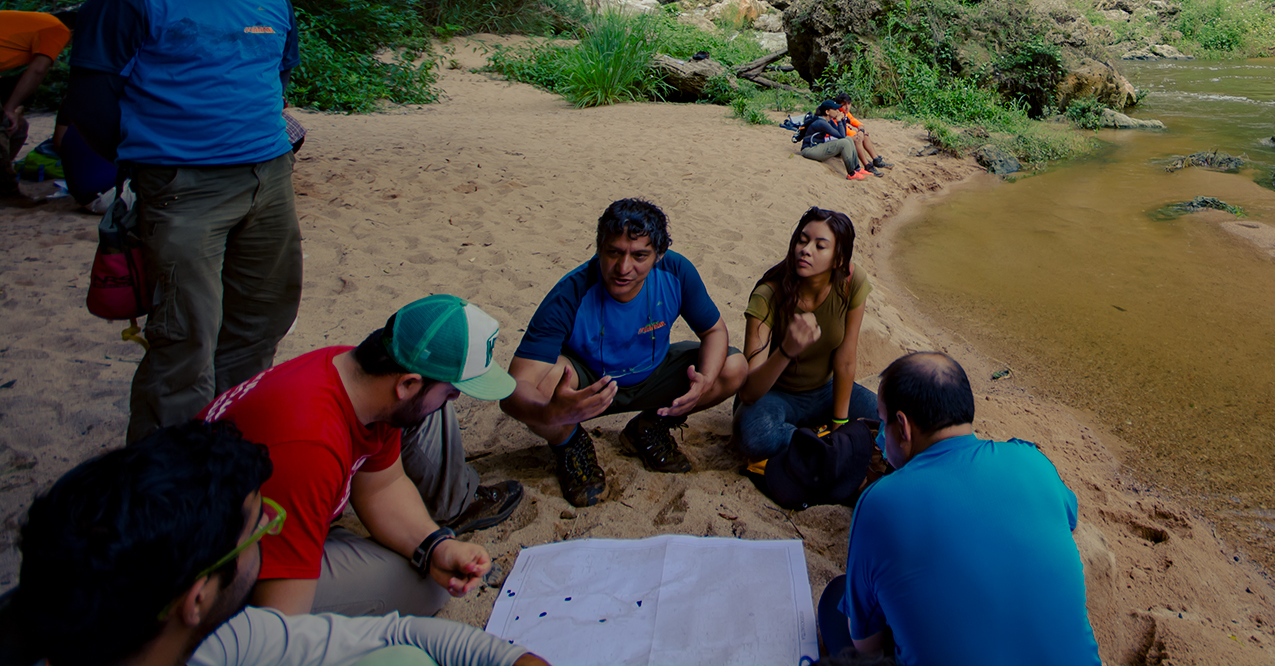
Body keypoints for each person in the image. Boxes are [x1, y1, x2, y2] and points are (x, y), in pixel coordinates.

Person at [66, 0, 304, 443]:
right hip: (183, 188)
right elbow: (89, 99)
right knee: (185, 332)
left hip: (268, 179)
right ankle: (166, 472)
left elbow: (278, 73)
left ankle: (224, 434)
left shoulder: (271, 1)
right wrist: (152, 161)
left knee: (263, 314)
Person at [6, 420, 547, 666]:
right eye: (258, 530)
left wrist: (514, 658)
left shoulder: (218, 637)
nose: (270, 533)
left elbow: (401, 634)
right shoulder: (222, 639)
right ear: (196, 598)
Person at [200, 295, 526, 618]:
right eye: (450, 391)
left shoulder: (357, 380)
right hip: (204, 574)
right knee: (423, 590)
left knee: (426, 571)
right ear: (408, 384)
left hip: (256, 530)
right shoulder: (311, 447)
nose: (453, 399)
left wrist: (435, 546)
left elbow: (382, 486)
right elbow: (282, 624)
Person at [817, 353, 1101, 666]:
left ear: (903, 427)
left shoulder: (879, 502)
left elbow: (866, 646)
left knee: (836, 600)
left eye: (883, 423)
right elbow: (1069, 514)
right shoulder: (1033, 462)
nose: (881, 436)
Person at [501, 199, 748, 506]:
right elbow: (514, 388)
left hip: (653, 374)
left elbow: (714, 331)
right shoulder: (571, 293)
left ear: (658, 255)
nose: (623, 268)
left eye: (639, 256)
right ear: (598, 248)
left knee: (732, 366)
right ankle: (569, 442)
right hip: (589, 385)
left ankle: (649, 428)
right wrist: (550, 412)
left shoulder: (676, 272)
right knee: (542, 383)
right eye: (613, 252)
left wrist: (705, 380)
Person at [734, 206, 879, 460]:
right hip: (775, 397)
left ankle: (816, 444)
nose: (806, 250)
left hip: (826, 390)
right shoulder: (768, 296)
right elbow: (748, 392)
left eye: (820, 246)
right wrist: (786, 351)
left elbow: (845, 360)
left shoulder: (851, 284)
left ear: (838, 259)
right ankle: (822, 448)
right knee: (754, 433)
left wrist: (840, 424)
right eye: (802, 241)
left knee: (890, 419)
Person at [0, 9, 72, 206]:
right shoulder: (58, 28)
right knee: (2, 124)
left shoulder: (33, 27)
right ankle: (5, 191)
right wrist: (9, 108)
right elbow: (39, 69)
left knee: (18, 129)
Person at [793, 100, 870, 180]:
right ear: (827, 112)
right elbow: (840, 136)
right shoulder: (821, 122)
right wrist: (839, 121)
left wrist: (843, 120)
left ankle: (857, 168)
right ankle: (851, 174)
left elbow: (843, 135)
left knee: (848, 139)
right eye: (835, 109)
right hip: (809, 150)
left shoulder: (829, 120)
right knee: (844, 143)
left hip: (817, 146)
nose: (838, 111)